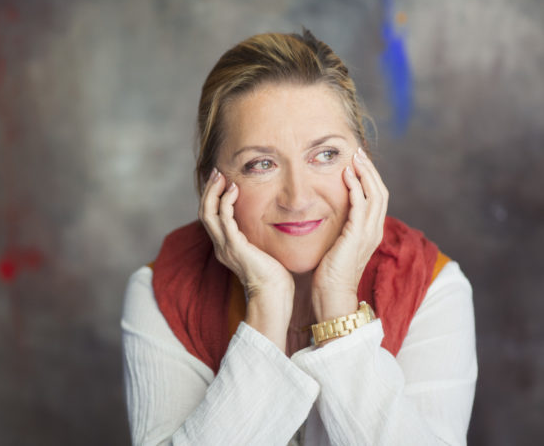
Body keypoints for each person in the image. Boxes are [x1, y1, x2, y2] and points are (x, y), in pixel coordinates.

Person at [121, 29, 477, 445]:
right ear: (211, 185)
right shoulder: (163, 291)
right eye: (261, 164)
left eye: (325, 155)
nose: (299, 197)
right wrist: (266, 307)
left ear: (362, 161)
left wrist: (338, 303)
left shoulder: (431, 287)